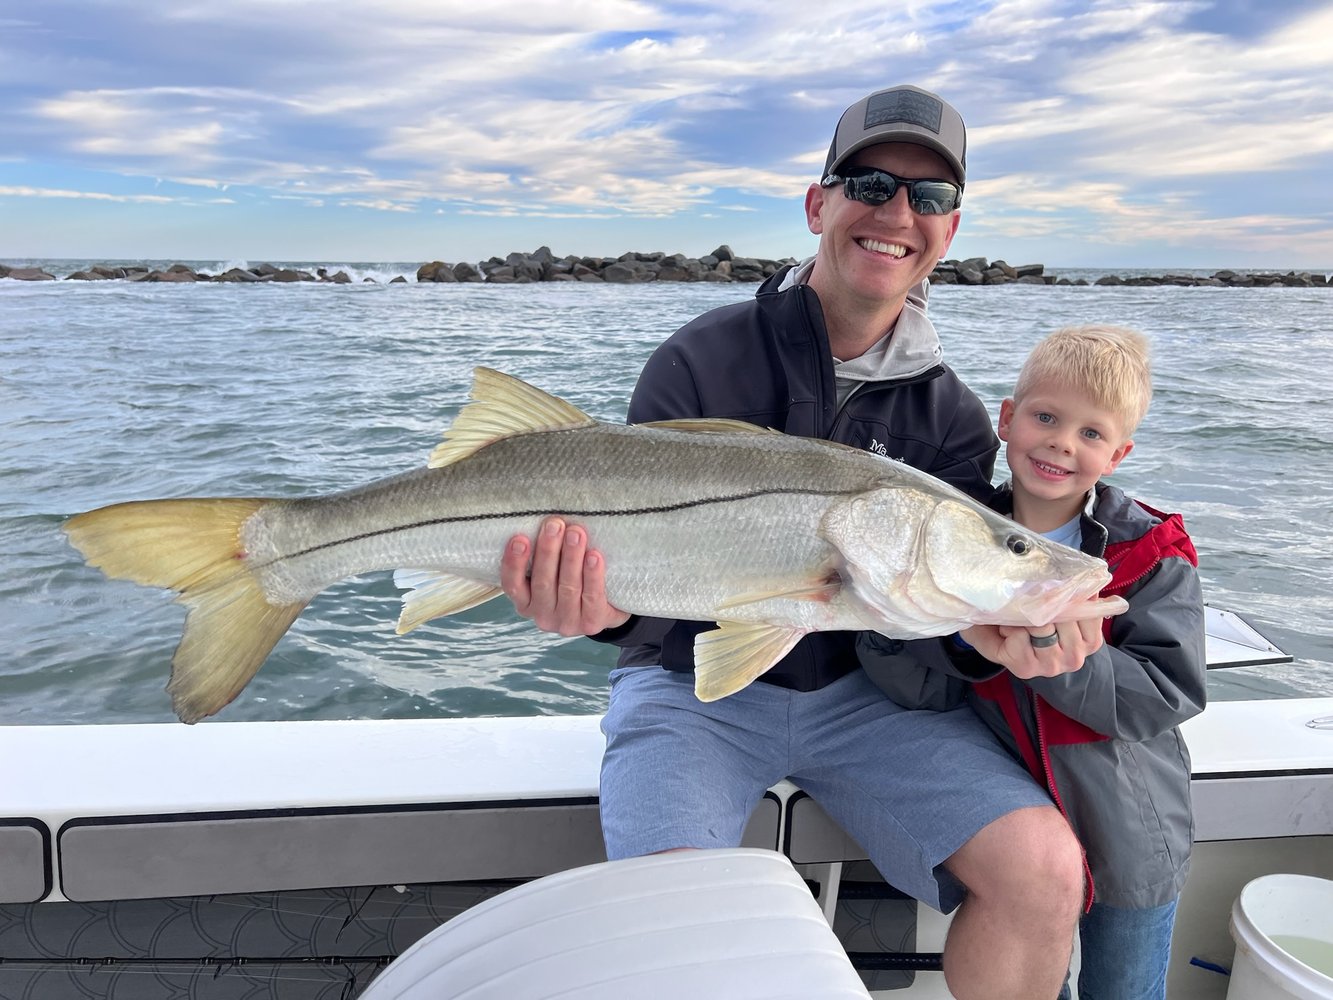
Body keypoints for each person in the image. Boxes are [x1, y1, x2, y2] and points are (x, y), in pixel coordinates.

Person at [499, 85, 1100, 1000]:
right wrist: (585, 611)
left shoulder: (950, 416)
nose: (897, 212)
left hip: (869, 705)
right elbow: (634, 585)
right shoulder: (698, 361)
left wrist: (986, 643)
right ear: (818, 204)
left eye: (929, 197)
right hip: (686, 690)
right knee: (669, 913)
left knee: (1045, 873)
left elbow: (923, 610)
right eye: (869, 182)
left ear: (949, 229)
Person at [860, 324, 1207, 999]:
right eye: (1046, 417)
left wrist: (1066, 666)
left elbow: (1166, 694)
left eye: (1089, 433)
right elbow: (915, 689)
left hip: (1129, 839)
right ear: (1007, 419)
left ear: (1119, 452)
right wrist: (951, 644)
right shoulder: (953, 531)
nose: (1060, 442)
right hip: (1011, 824)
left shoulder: (1150, 553)